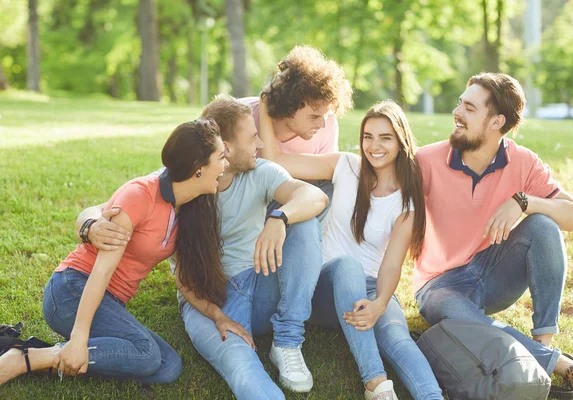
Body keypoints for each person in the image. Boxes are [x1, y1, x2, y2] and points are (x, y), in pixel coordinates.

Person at [75, 96, 328, 399]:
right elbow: (99, 209)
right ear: (226, 149)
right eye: (253, 137)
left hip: (258, 285)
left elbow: (313, 196)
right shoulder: (180, 181)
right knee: (243, 368)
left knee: (304, 221)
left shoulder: (261, 172)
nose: (260, 143)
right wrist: (90, 227)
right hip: (207, 299)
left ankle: (287, 339)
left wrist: (279, 217)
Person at [0, 119, 229, 385]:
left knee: (167, 367)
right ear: (198, 169)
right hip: (73, 291)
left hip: (110, 303)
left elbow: (184, 280)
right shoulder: (140, 195)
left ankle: (56, 354)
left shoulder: (188, 207)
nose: (225, 166)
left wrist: (218, 316)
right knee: (146, 354)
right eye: (221, 158)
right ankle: (25, 359)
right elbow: (102, 270)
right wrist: (80, 336)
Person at [414, 72, 573, 395]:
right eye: (460, 103)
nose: (457, 112)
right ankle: (555, 364)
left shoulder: (523, 161)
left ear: (496, 122)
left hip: (492, 273)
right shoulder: (427, 160)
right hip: (438, 285)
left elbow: (570, 216)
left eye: (469, 108)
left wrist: (524, 202)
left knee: (543, 224)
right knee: (452, 308)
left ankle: (543, 340)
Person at [260, 99, 443, 400]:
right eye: (368, 137)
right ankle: (376, 383)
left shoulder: (407, 203)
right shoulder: (344, 166)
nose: (374, 146)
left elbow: (391, 265)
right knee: (347, 266)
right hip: (325, 285)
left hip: (373, 287)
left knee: (398, 340)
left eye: (385, 138)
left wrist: (380, 304)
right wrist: (268, 107)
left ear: (400, 141)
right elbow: (276, 160)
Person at [239, 44, 353, 220]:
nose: (322, 124)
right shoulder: (241, 115)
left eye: (327, 115)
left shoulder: (328, 124)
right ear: (289, 105)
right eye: (314, 116)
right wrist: (264, 103)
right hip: (245, 207)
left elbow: (321, 190)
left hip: (292, 207)